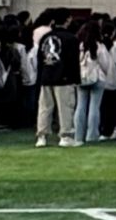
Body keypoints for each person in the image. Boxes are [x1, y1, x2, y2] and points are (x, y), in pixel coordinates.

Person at [31, 16, 81, 148]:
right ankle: (65, 136)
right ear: (67, 20)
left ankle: (41, 136)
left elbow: (39, 58)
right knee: (65, 107)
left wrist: (40, 77)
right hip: (64, 78)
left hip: (46, 76)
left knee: (44, 107)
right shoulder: (71, 38)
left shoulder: (45, 37)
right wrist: (76, 79)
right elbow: (74, 61)